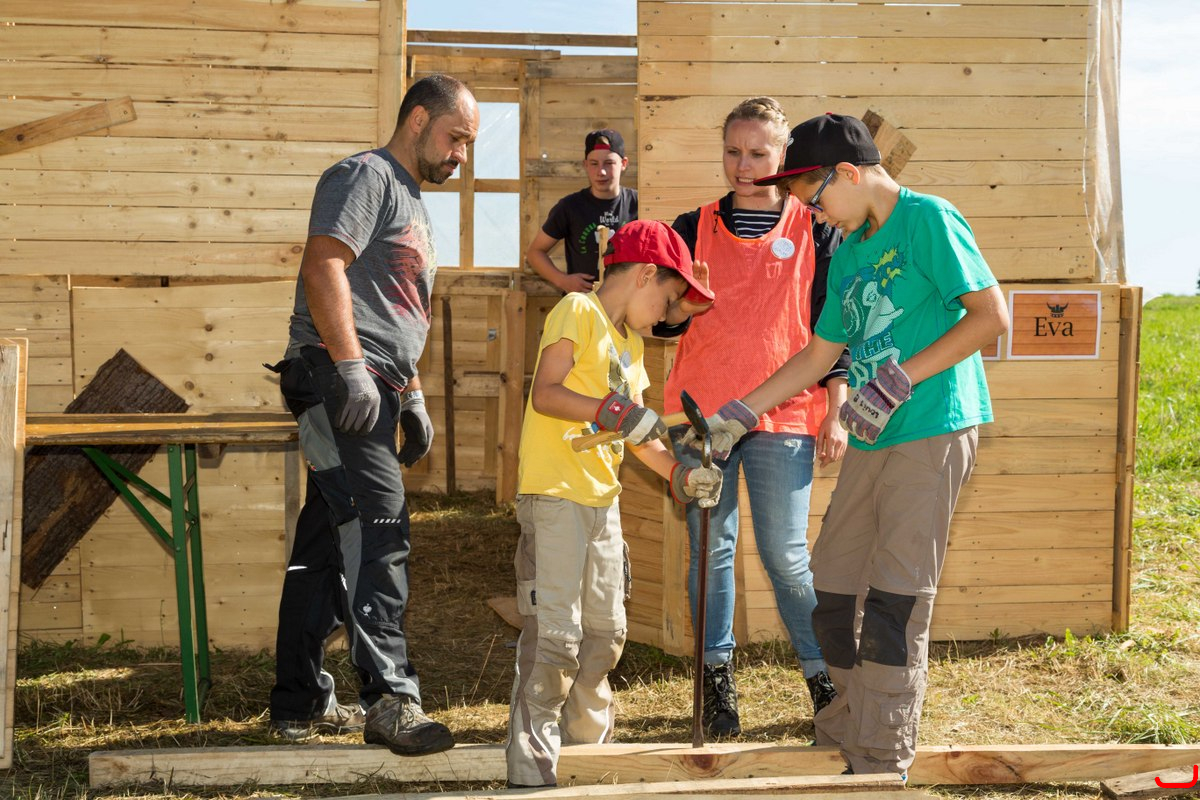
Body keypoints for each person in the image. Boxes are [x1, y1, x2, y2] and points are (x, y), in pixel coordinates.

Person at [690, 113, 1009, 778]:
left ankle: (882, 754)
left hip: (934, 428)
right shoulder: (853, 250)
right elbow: (818, 355)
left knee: (895, 600)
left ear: (847, 173)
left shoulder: (927, 219)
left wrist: (900, 378)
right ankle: (847, 725)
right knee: (831, 589)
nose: (814, 213)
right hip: (873, 436)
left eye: (815, 197)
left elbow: (990, 316)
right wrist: (739, 413)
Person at [265, 74, 480, 756]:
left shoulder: (412, 201)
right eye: (456, 138)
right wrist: (351, 367)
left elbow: (395, 312)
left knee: (327, 541)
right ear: (417, 119)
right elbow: (323, 265)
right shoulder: (365, 176)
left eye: (468, 145)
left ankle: (298, 702)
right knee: (379, 528)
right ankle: (389, 699)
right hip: (338, 377)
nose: (461, 156)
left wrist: (412, 395)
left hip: (374, 380)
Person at [506, 220, 723, 788]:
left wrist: (679, 474)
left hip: (604, 502)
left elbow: (637, 432)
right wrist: (612, 410)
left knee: (605, 634)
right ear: (646, 273)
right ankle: (533, 767)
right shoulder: (577, 310)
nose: (667, 314)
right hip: (555, 496)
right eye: (668, 299)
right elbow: (546, 393)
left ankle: (588, 759)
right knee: (556, 637)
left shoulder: (631, 344)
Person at [664, 97, 850, 739]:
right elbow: (659, 316)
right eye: (733, 152)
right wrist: (682, 312)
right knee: (709, 552)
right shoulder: (691, 227)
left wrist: (837, 408)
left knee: (786, 556)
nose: (743, 166)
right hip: (700, 417)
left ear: (782, 156)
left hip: (785, 416)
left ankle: (823, 679)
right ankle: (716, 680)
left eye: (758, 154)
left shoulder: (817, 229)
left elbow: (832, 330)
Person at [525, 129, 638, 294]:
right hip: (583, 302)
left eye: (609, 163)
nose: (601, 172)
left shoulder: (639, 204)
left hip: (627, 302)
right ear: (585, 165)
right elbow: (535, 253)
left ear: (624, 164)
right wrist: (562, 280)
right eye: (594, 163)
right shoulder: (570, 206)